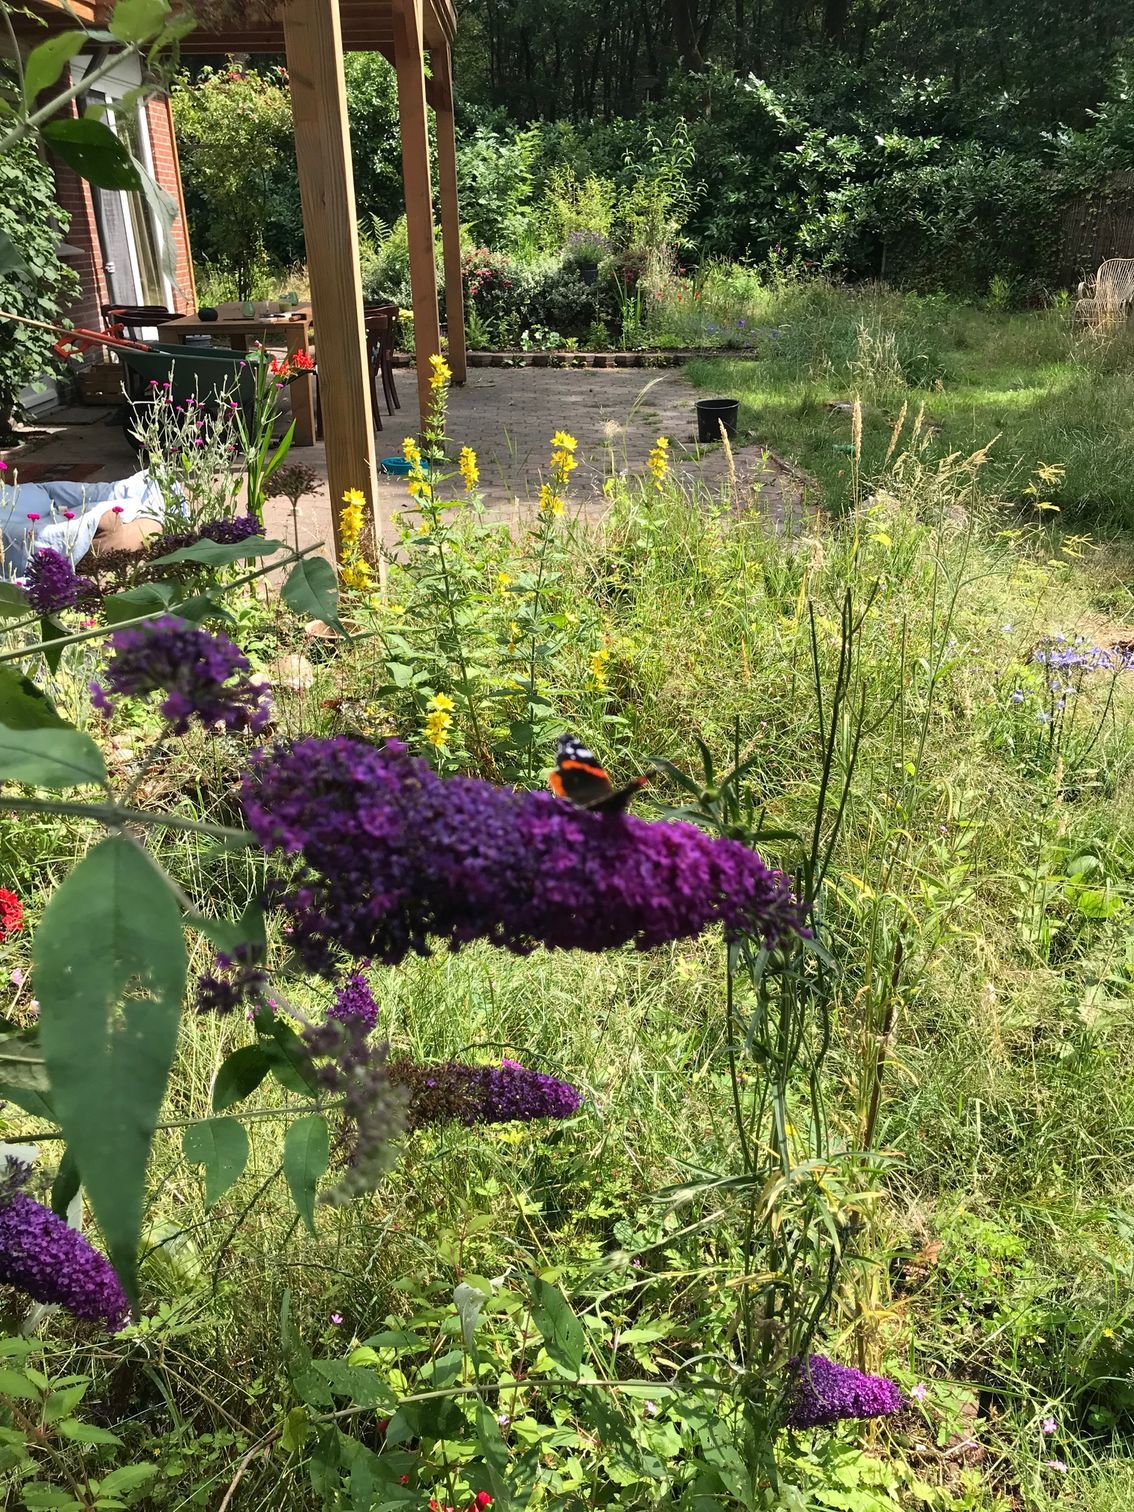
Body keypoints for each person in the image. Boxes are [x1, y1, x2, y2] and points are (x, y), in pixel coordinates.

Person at [0, 471, 165, 577]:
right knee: (107, 521)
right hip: (49, 523)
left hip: (47, 507)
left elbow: (49, 492)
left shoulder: (30, 493)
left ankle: (143, 518)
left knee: (150, 482)